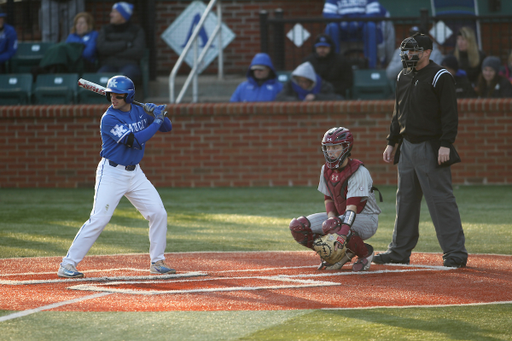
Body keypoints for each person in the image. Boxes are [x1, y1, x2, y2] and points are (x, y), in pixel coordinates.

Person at [57, 75, 175, 278]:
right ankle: (67, 264)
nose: (113, 98)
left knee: (158, 213)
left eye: (118, 95)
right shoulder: (109, 118)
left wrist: (157, 113)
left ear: (129, 96)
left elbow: (167, 127)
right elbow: (134, 141)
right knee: (99, 219)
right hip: (111, 173)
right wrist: (156, 120)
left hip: (135, 173)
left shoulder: (139, 110)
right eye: (111, 94)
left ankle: (157, 261)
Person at [376, 33, 468, 268]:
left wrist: (446, 144)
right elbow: (398, 112)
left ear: (427, 52)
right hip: (406, 146)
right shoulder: (402, 75)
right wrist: (391, 141)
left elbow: (450, 114)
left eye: (414, 51)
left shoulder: (440, 76)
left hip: (431, 145)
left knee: (440, 200)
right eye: (406, 50)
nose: (409, 55)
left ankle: (455, 252)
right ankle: (398, 251)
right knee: (405, 200)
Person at [289, 127, 381, 271]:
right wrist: (331, 222)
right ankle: (334, 255)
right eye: (328, 148)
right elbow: (329, 199)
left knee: (332, 225)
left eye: (336, 147)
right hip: (342, 217)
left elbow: (352, 207)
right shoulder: (325, 169)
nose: (331, 152)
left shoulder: (359, 171)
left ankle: (365, 253)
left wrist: (340, 233)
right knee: (297, 226)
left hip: (366, 218)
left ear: (346, 147)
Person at [323, 0, 389, 69]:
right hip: (342, 30)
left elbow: (374, 13)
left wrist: (358, 22)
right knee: (331, 27)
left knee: (371, 26)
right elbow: (327, 14)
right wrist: (344, 22)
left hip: (362, 28)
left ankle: (371, 66)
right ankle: (334, 66)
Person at [96, 2, 145, 84]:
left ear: (123, 15)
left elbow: (138, 51)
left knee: (123, 81)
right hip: (108, 65)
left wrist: (111, 51)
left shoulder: (136, 30)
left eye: (114, 12)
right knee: (98, 80)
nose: (111, 15)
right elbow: (101, 47)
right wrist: (125, 44)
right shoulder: (105, 29)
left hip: (129, 65)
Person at [302, 34, 353, 98]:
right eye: (319, 47)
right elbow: (301, 80)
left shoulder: (341, 60)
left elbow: (348, 81)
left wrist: (330, 89)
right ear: (315, 48)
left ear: (331, 48)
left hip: (335, 93)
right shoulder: (308, 61)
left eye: (325, 47)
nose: (322, 50)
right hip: (313, 94)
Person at [275, 61, 340, 101]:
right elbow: (280, 98)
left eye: (306, 81)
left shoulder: (322, 84)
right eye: (300, 81)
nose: (303, 84)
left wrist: (316, 97)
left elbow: (335, 97)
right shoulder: (291, 85)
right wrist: (297, 100)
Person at [0, 6, 17, 74]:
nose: (0, 20)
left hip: (2, 61)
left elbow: (11, 51)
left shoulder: (10, 30)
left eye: (1, 18)